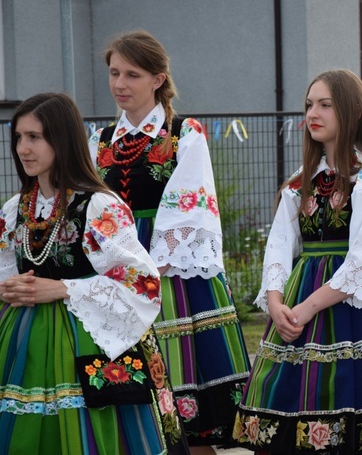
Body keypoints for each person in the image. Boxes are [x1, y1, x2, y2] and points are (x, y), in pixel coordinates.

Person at [232, 69, 362, 453]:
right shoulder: (300, 181)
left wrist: (304, 308)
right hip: (298, 308)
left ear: (351, 111)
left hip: (352, 310)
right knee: (288, 414)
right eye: (309, 105)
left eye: (325, 104)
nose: (313, 113)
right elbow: (279, 244)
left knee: (350, 416)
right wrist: (275, 302)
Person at [0, 92, 189, 453]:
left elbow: (143, 283)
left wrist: (61, 289)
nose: (23, 148)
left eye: (34, 137)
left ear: (62, 139)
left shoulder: (98, 206)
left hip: (87, 339)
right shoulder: (14, 210)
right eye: (19, 138)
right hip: (22, 341)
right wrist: (8, 289)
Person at [89, 30, 250, 452]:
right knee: (128, 403)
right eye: (114, 73)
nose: (120, 84)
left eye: (132, 74)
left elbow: (190, 206)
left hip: (170, 270)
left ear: (158, 79)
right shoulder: (99, 142)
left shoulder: (184, 134)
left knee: (186, 406)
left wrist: (147, 268)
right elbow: (87, 206)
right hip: (113, 265)